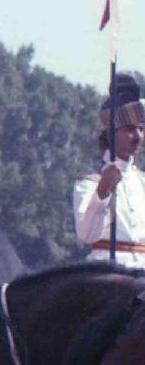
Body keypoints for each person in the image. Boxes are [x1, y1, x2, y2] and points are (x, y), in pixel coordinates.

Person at [73, 72, 145, 267]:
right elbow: (86, 234)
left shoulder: (142, 182)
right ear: (111, 133)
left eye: (141, 128)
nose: (138, 136)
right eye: (130, 129)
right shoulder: (89, 181)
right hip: (107, 272)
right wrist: (103, 191)